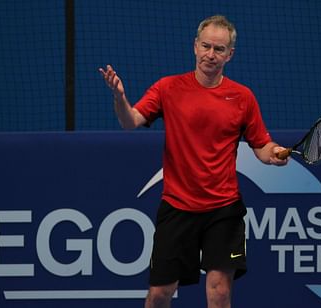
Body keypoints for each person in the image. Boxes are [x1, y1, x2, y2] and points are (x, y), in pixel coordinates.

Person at [99, 15, 288, 308]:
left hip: (224, 209)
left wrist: (274, 154)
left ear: (230, 55)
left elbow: (261, 145)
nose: (211, 54)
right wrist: (119, 98)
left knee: (220, 290)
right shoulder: (168, 88)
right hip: (178, 207)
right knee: (160, 293)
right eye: (206, 46)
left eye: (219, 49)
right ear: (195, 47)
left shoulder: (242, 97)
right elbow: (130, 121)